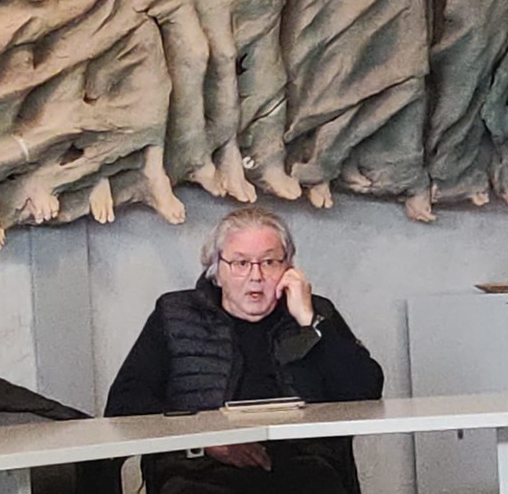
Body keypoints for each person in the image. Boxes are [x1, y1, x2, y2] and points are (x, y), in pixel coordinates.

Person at [105, 206, 384, 494]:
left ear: (289, 268)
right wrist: (205, 438)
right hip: (200, 469)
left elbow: (366, 393)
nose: (256, 276)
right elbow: (125, 404)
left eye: (269, 262)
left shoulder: (316, 312)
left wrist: (310, 321)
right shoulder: (174, 314)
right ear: (216, 271)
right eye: (241, 263)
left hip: (303, 468)